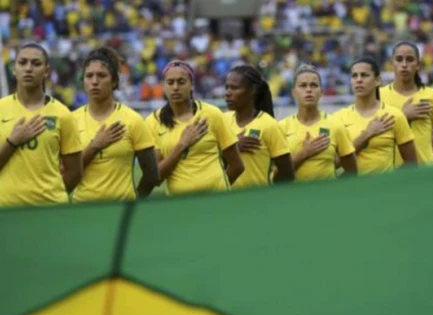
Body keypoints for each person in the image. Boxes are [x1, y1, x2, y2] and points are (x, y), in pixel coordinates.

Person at [72, 47, 159, 202]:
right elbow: (64, 174)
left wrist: (133, 206)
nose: (94, 81)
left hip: (120, 212)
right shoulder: (70, 121)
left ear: (114, 81)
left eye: (101, 75)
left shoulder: (133, 120)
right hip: (82, 212)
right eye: (89, 76)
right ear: (83, 81)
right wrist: (94, 146)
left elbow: (152, 174)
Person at [0, 43, 82, 207]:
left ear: (46, 71)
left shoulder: (63, 114)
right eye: (22, 63)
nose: (28, 68)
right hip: (7, 212)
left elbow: (75, 172)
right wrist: (12, 142)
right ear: (14, 69)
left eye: (36, 63)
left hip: (50, 212)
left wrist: (51, 198)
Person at [146, 60, 244, 196]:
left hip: (217, 203)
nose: (175, 87)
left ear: (191, 85)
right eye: (170, 82)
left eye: (181, 82)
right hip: (181, 207)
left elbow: (237, 165)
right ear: (164, 86)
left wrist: (220, 190)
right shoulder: (153, 122)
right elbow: (155, 178)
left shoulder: (212, 114)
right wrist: (182, 145)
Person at [332, 57, 417, 175]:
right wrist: (366, 134)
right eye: (354, 76)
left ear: (377, 80)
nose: (358, 80)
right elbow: (333, 164)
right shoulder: (338, 118)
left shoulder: (393, 115)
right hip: (351, 191)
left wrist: (392, 183)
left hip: (382, 191)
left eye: (364, 75)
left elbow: (411, 163)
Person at [279, 65, 357, 181]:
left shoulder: (336, 125)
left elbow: (352, 170)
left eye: (314, 85)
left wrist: (335, 190)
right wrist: (304, 153)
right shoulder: (281, 128)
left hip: (326, 198)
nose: (309, 89)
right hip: (293, 198)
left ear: (321, 92)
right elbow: (275, 179)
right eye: (303, 85)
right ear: (294, 93)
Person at [380, 41, 433, 165]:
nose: (404, 64)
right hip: (391, 176)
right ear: (392, 63)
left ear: (418, 65)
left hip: (425, 177)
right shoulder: (379, 96)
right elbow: (374, 137)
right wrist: (403, 116)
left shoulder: (432, 96)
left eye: (410, 59)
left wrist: (426, 162)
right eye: (399, 59)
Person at [224, 65, 294, 189]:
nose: (228, 93)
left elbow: (287, 172)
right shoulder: (223, 120)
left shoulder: (269, 125)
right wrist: (233, 148)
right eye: (227, 87)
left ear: (252, 90)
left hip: (256, 202)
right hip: (224, 200)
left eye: (234, 88)